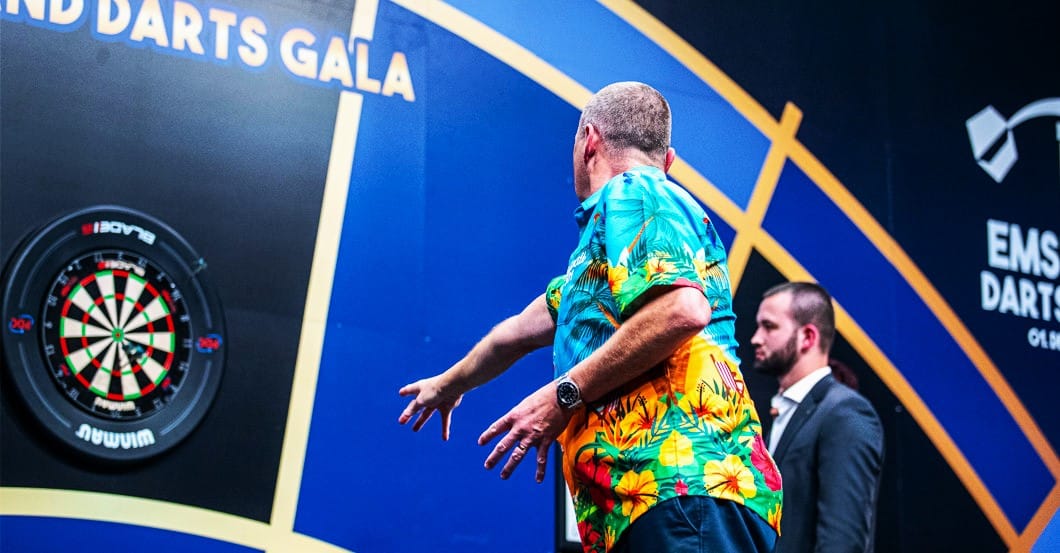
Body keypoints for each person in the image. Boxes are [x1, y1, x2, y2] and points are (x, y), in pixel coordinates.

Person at [398, 82, 781, 553]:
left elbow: (682, 310)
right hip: (644, 505)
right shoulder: (600, 267)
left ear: (589, 140)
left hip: (683, 486)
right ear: (669, 158)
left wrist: (564, 395)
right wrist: (449, 384)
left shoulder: (637, 191)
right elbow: (513, 335)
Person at [750, 281, 884, 553]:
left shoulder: (845, 413)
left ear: (808, 337)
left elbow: (843, 541)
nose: (756, 338)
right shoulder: (784, 411)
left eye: (769, 326)